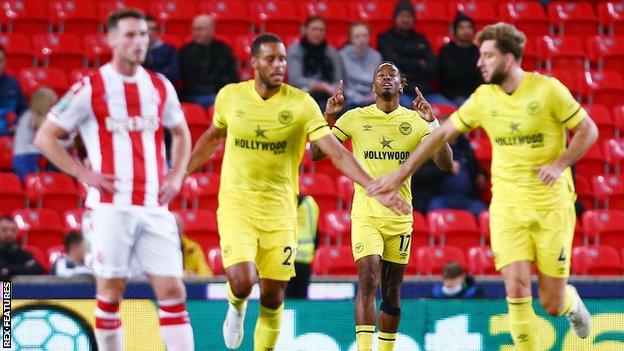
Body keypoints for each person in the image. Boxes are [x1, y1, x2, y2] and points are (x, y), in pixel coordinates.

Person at [368, 22, 597, 350]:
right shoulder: (484, 98)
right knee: (516, 289)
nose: (480, 63)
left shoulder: (548, 91)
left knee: (551, 302)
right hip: (507, 206)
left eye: (488, 56)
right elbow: (443, 134)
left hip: (552, 206)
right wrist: (400, 173)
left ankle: (570, 303)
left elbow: (589, 130)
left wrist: (560, 164)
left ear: (508, 58)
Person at [185, 33, 410, 351]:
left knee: (274, 295)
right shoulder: (230, 97)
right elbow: (213, 136)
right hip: (238, 203)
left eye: (283, 59)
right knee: (242, 280)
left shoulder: (302, 104)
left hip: (280, 210)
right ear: (254, 63)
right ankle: (235, 307)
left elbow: (336, 152)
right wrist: (179, 172)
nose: (279, 65)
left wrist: (375, 187)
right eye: (271, 59)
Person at [34, 9, 194, 351]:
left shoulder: (159, 86)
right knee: (110, 292)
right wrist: (82, 172)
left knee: (173, 291)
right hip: (110, 208)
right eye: (131, 35)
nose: (139, 42)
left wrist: (177, 174)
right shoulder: (91, 87)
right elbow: (46, 136)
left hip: (154, 206)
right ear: (112, 40)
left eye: (143, 35)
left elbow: (181, 132)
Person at [311, 61, 453, 351]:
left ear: (401, 86)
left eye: (393, 75)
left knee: (391, 291)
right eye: (381, 75)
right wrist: (328, 117)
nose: (387, 78)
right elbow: (316, 154)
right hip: (366, 214)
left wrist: (433, 124)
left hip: (400, 216)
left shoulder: (415, 121)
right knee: (368, 278)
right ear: (373, 86)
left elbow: (445, 163)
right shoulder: (354, 118)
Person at [377, 1, 452, 107]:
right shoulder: (385, 39)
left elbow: (433, 67)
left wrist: (406, 66)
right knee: (408, 112)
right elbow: (392, 65)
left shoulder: (421, 39)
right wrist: (419, 63)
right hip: (401, 93)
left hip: (425, 92)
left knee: (449, 108)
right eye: (402, 16)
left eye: (409, 16)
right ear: (395, 18)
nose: (405, 19)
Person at [411, 134, 487, 217]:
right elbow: (420, 175)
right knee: (436, 211)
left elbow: (476, 168)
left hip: (466, 199)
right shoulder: (429, 146)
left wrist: (481, 175)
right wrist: (446, 169)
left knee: (483, 212)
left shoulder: (464, 145)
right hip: (439, 199)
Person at [179, 14, 238, 108]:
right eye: (194, 29)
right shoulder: (185, 51)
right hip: (192, 96)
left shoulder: (224, 49)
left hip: (219, 93)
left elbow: (233, 76)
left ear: (212, 30)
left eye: (200, 29)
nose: (196, 33)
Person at [287, 16, 343, 110]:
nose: (317, 33)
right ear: (305, 30)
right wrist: (322, 86)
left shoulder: (331, 51)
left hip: (329, 94)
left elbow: (339, 77)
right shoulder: (295, 50)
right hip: (302, 92)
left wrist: (334, 89)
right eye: (314, 29)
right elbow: (296, 79)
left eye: (321, 30)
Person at [12, 87, 59, 180]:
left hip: (32, 157)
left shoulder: (32, 116)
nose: (54, 107)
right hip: (27, 158)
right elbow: (48, 141)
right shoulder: (30, 117)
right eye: (53, 103)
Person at [439, 13, 483, 106]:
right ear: (455, 31)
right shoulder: (446, 51)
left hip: (476, 94)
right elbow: (451, 76)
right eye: (461, 28)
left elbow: (481, 76)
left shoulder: (478, 51)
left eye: (469, 27)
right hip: (453, 96)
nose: (466, 31)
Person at [339, 22, 382, 110]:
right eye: (357, 36)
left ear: (369, 37)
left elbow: (379, 81)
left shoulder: (376, 56)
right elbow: (342, 85)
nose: (361, 39)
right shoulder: (342, 56)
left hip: (372, 99)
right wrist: (361, 99)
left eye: (365, 36)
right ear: (351, 39)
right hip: (351, 99)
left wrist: (375, 94)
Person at [285, 194, 320, 299]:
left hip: (285, 260)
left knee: (285, 302)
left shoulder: (282, 203)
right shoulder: (311, 204)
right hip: (305, 261)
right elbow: (317, 233)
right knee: (301, 300)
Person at [0, 215, 44, 279]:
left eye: (13, 230)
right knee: (6, 285)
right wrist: (24, 267)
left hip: (20, 287)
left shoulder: (24, 254)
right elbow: (3, 276)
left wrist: (9, 269)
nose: (9, 234)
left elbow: (37, 269)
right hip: (5, 286)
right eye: (4, 230)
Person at [173, 212, 212, 277]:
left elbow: (207, 274)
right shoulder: (160, 248)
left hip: (190, 285)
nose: (175, 230)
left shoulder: (192, 248)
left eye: (177, 226)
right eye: (172, 226)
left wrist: (194, 276)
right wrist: (185, 274)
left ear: (183, 228)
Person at [0, 45, 28, 136]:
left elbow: (23, 111)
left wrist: (18, 125)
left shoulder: (13, 84)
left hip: (10, 135)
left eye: (0, 61)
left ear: (6, 63)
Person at [144, 15, 179, 83]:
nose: (150, 33)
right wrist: (162, 71)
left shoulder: (169, 49)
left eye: (153, 29)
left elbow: (173, 75)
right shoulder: (134, 50)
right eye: (147, 29)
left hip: (164, 87)